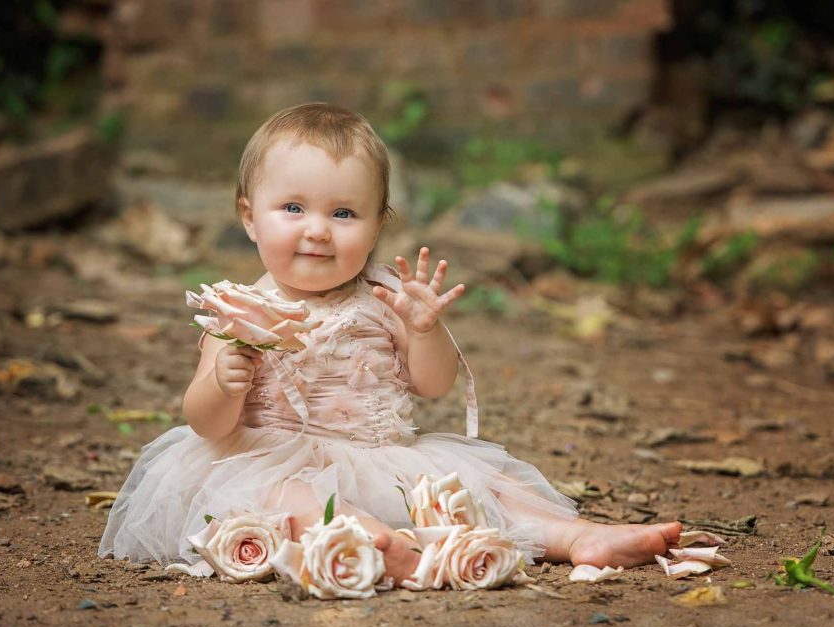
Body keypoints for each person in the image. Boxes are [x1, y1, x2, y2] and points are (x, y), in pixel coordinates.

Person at [99, 103, 681, 583]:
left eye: (345, 212)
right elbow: (206, 424)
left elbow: (433, 386)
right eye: (293, 208)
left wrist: (424, 330)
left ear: (379, 225)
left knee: (483, 485)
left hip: (380, 458)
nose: (318, 229)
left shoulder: (386, 298)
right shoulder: (239, 311)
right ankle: (365, 539)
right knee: (286, 495)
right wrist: (224, 381)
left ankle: (581, 537)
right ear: (250, 218)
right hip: (266, 456)